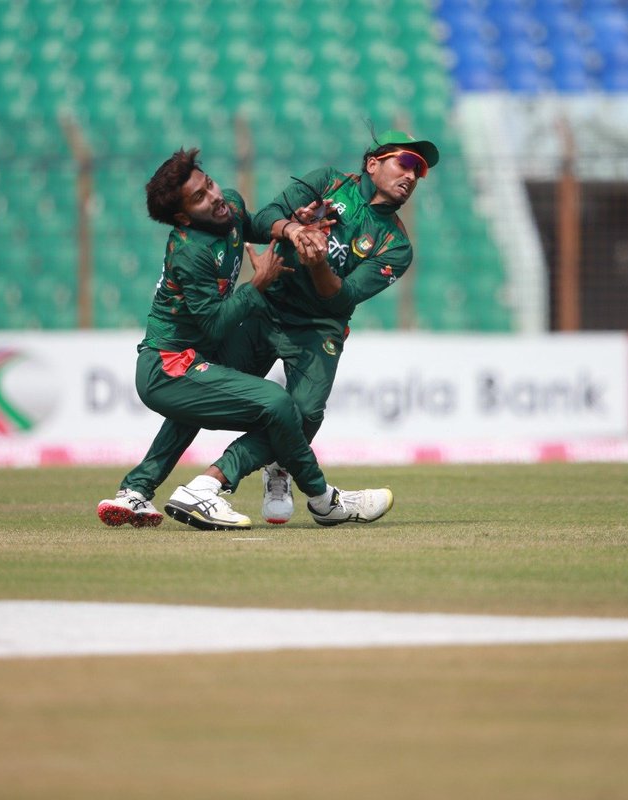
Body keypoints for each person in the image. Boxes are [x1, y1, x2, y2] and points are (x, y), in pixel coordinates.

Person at [100, 129, 437, 526]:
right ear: (373, 162)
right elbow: (268, 217)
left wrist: (313, 256)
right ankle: (156, 488)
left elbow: (341, 298)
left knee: (305, 412)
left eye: (421, 169)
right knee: (230, 399)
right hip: (266, 308)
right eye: (407, 162)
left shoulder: (396, 245)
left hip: (318, 327)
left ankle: (264, 473)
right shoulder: (328, 182)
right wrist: (292, 230)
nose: (413, 174)